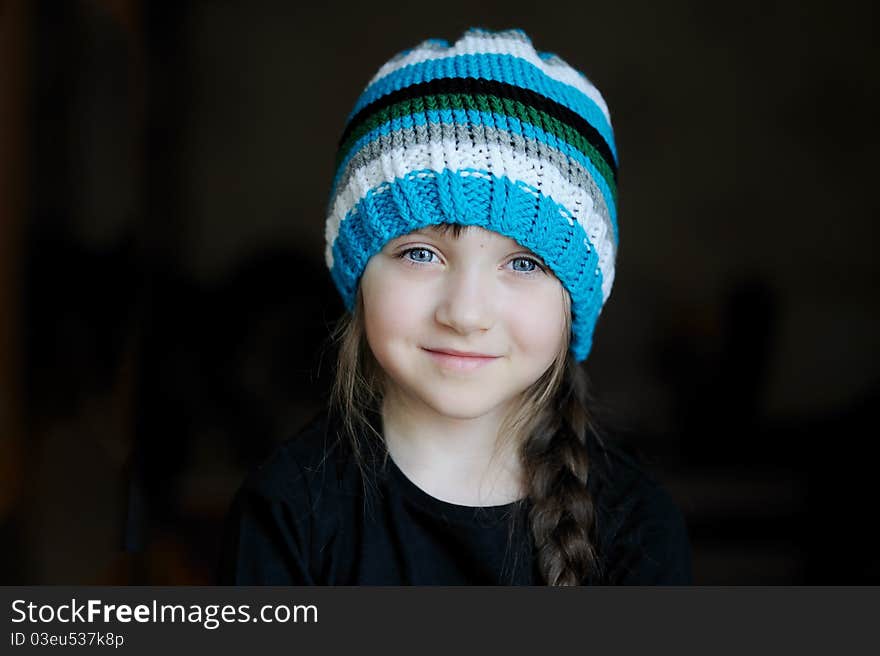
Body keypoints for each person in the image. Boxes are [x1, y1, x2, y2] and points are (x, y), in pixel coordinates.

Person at [217, 27, 693, 585]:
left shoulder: (638, 530)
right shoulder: (287, 513)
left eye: (523, 264)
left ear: (575, 302)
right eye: (421, 253)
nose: (465, 315)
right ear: (358, 274)